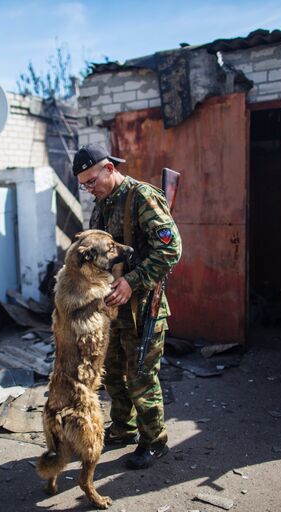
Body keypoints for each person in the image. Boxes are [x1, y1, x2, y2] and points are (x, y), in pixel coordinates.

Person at [72, 142, 182, 470]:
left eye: (92, 181)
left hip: (143, 308)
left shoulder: (142, 197)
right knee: (115, 375)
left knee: (141, 376)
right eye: (83, 185)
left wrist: (132, 281)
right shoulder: (102, 204)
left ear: (109, 168)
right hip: (111, 308)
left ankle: (154, 441)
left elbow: (171, 249)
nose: (89, 189)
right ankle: (124, 427)